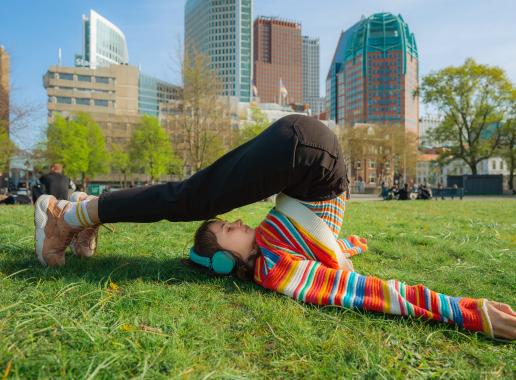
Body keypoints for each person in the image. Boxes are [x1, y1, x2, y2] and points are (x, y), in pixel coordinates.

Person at [33, 115, 516, 340]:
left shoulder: (272, 258)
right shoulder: (277, 267)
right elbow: (371, 292)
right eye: (227, 229)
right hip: (307, 153)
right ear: (225, 260)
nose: (239, 221)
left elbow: (342, 268)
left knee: (190, 197)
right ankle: (74, 212)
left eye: (227, 223)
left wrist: (349, 245)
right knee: (189, 197)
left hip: (307, 155)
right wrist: (468, 312)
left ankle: (74, 215)